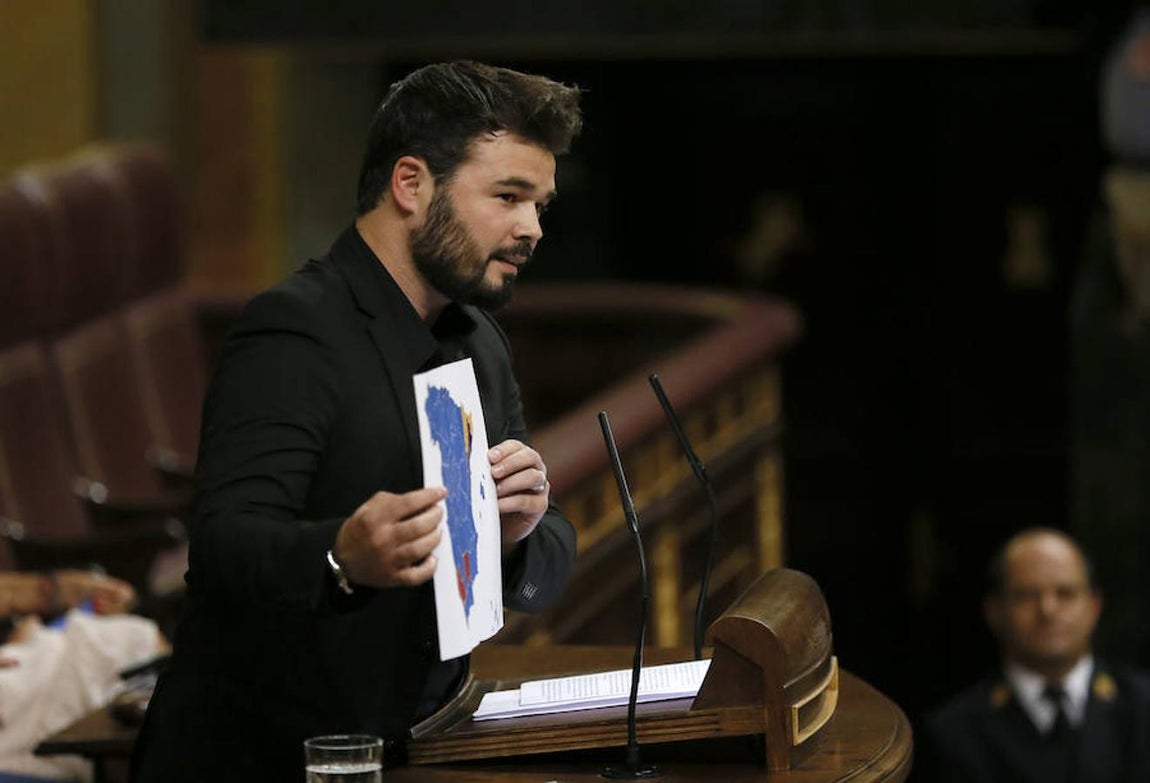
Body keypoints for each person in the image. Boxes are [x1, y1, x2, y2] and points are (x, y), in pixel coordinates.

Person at [129, 61, 581, 781]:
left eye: (540, 205)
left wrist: (518, 534)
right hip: (260, 759)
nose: (531, 228)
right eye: (507, 196)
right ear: (411, 184)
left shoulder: (479, 338)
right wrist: (342, 557)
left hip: (422, 738)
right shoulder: (295, 331)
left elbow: (553, 550)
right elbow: (223, 546)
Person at [921, 528, 1150, 783]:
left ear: (1094, 606)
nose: (1047, 610)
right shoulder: (954, 733)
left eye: (1065, 593)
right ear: (994, 611)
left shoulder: (1143, 708)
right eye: (1026, 595)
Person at [1, 570, 165, 781]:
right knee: (130, 638)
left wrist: (60, 589)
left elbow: (23, 607)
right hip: (20, 704)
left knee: (129, 637)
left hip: (31, 656)